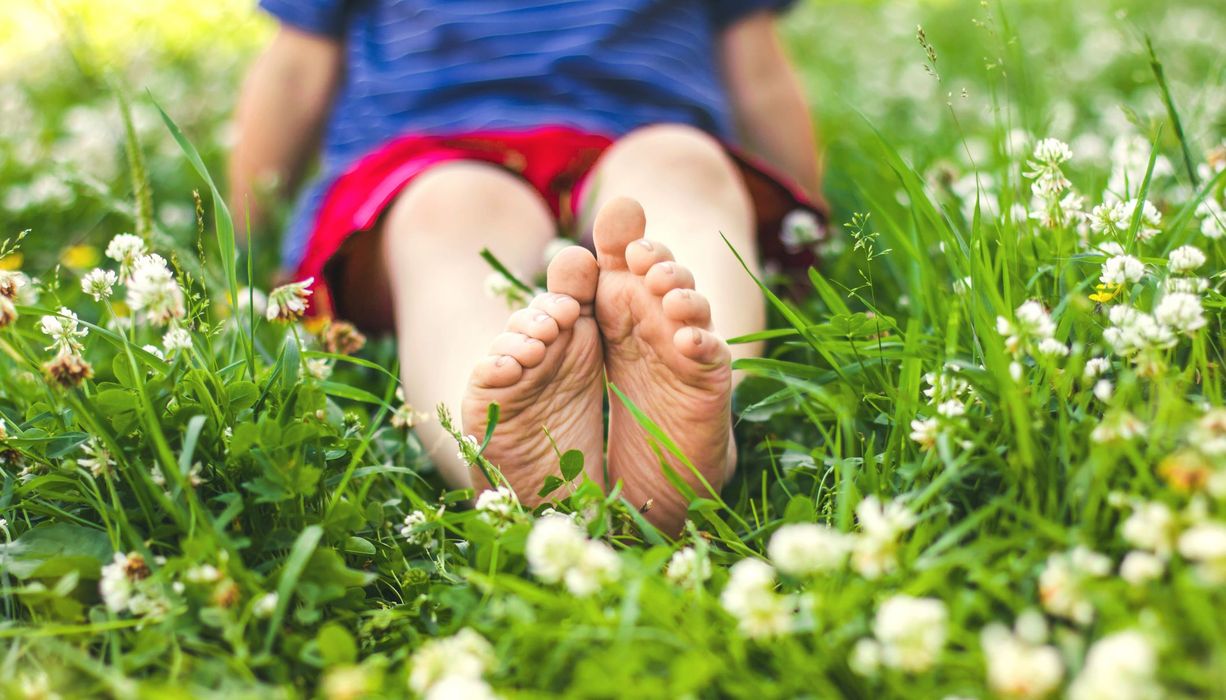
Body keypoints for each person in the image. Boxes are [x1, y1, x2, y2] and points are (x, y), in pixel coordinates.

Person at [228, 0, 827, 533]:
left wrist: (808, 222)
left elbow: (758, 71)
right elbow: (297, 72)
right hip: (429, 152)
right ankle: (497, 448)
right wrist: (244, 236)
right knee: (451, 211)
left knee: (681, 168)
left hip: (640, 134)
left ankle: (696, 430)